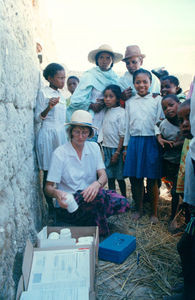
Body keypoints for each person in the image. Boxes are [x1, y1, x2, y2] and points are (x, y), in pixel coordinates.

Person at [45, 110, 130, 236]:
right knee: (100, 197)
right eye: (77, 132)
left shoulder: (94, 148)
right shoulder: (60, 153)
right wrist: (58, 194)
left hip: (93, 197)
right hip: (72, 202)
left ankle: (91, 222)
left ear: (90, 133)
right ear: (70, 132)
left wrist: (97, 184)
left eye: (84, 132)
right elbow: (48, 187)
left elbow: (103, 176)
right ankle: (102, 231)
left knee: (123, 203)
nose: (80, 136)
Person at [164, 98, 195, 300]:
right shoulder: (192, 143)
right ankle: (188, 285)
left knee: (186, 248)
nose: (184, 123)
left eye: (189, 118)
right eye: (181, 119)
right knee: (186, 248)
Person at [123, 68, 163, 223]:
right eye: (138, 82)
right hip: (134, 142)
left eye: (145, 82)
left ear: (150, 83)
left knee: (152, 179)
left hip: (151, 141)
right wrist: (126, 147)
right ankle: (139, 209)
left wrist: (158, 137)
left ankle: (154, 212)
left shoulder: (156, 99)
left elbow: (159, 122)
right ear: (133, 84)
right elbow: (126, 126)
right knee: (136, 179)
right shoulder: (130, 102)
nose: (141, 85)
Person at [66, 44, 123, 141]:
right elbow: (76, 100)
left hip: (108, 119)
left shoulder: (115, 78)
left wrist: (106, 103)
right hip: (91, 117)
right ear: (97, 60)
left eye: (108, 58)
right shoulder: (89, 75)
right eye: (101, 57)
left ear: (112, 60)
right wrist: (92, 105)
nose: (104, 61)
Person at [35, 63, 67, 217]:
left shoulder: (62, 95)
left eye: (64, 78)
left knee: (60, 170)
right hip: (48, 135)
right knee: (49, 172)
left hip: (60, 135)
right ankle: (50, 208)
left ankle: (61, 203)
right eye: (59, 78)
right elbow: (37, 118)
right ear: (50, 78)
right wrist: (49, 107)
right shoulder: (43, 93)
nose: (63, 81)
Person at [157, 95, 184, 232]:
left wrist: (177, 143)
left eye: (171, 105)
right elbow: (157, 132)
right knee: (174, 191)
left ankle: (184, 215)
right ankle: (173, 217)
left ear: (179, 103)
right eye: (165, 108)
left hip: (184, 161)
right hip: (170, 162)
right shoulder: (164, 124)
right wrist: (160, 138)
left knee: (182, 192)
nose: (168, 109)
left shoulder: (187, 119)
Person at [100, 84, 126, 197]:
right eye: (105, 96)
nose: (107, 99)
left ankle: (124, 198)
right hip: (106, 148)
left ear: (117, 98)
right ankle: (112, 199)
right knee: (110, 177)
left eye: (111, 96)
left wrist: (117, 152)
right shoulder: (106, 111)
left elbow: (122, 135)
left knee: (119, 177)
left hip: (116, 149)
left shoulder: (121, 112)